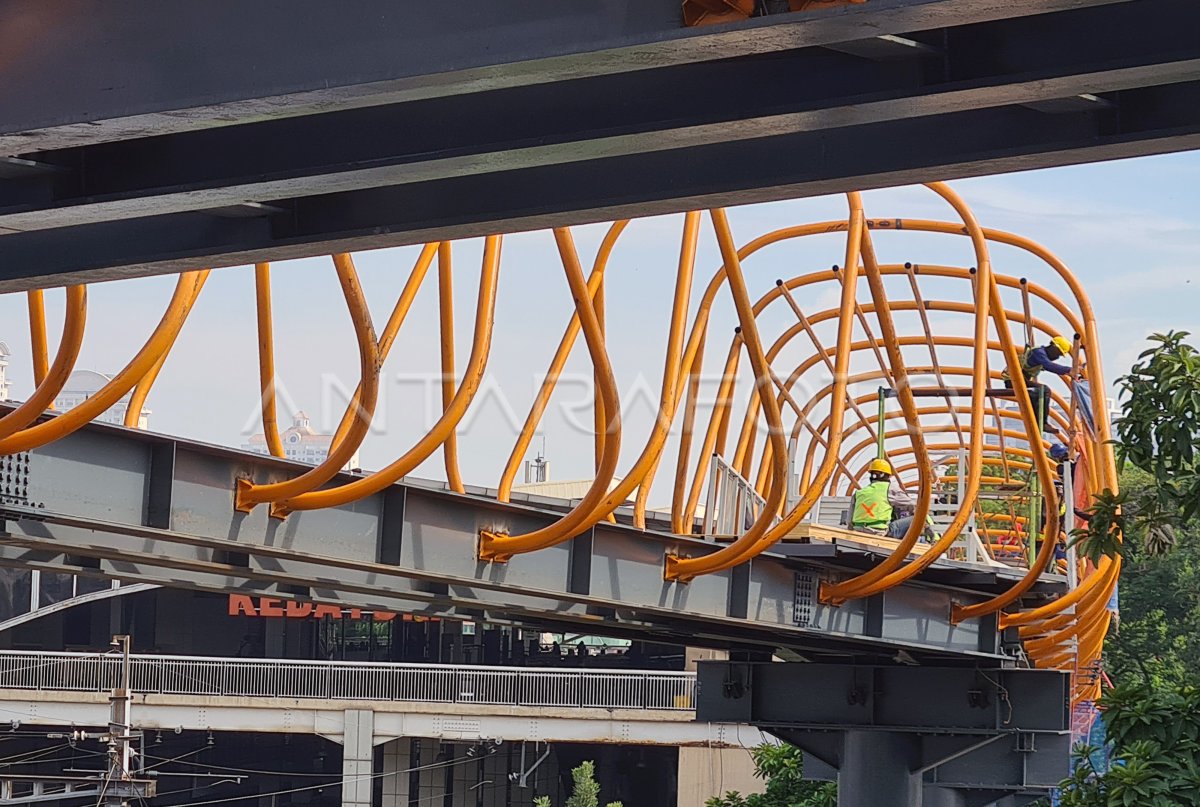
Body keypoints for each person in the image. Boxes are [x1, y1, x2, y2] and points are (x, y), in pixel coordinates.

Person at [1002, 336, 1073, 431]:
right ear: (1053, 347)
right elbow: (1049, 366)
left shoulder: (1041, 355)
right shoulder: (1038, 353)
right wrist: (1069, 370)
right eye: (1058, 353)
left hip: (1020, 381)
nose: (1057, 357)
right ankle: (1042, 423)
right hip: (1012, 380)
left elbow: (1050, 366)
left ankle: (1035, 422)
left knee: (1036, 396)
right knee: (1044, 390)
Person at [850, 458, 918, 538]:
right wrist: (912, 512)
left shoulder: (859, 492)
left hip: (858, 531)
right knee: (917, 519)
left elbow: (849, 520)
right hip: (879, 532)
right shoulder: (889, 488)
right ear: (886, 475)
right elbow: (911, 504)